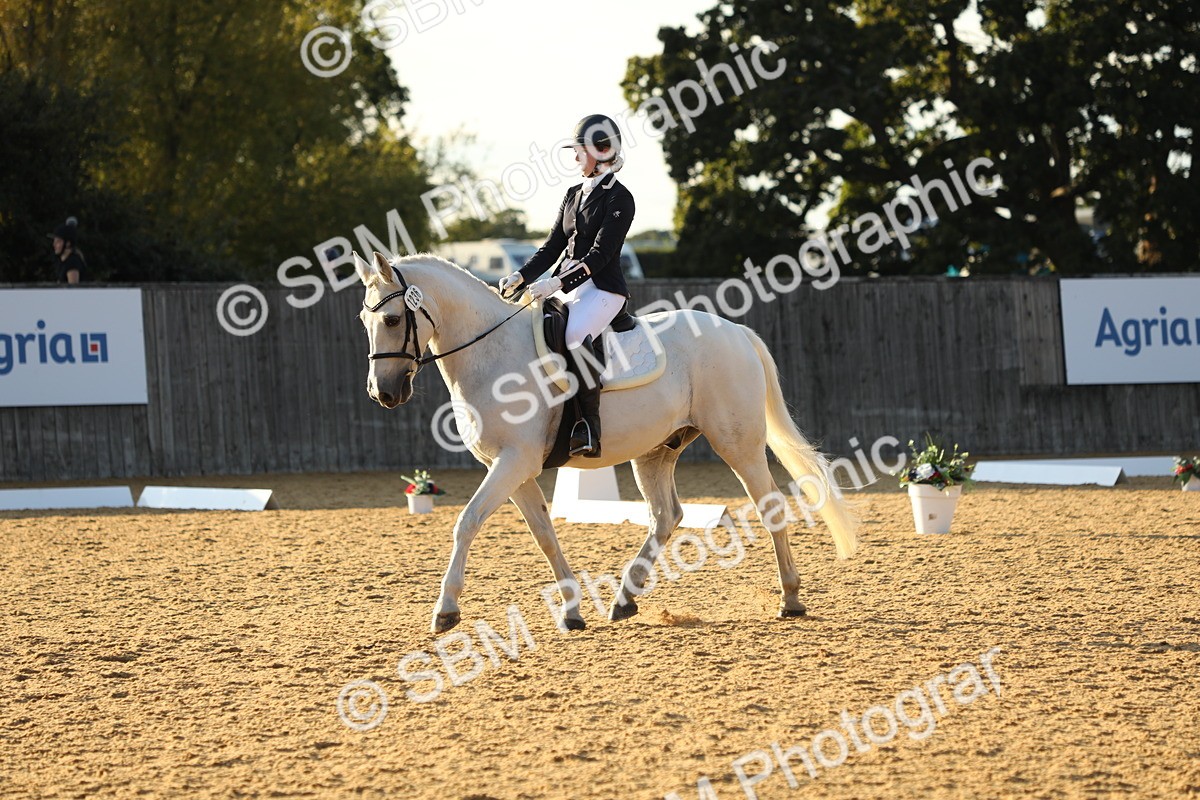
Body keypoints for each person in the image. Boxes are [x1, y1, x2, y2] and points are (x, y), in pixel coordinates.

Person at [499, 115, 636, 458]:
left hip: (603, 289)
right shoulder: (574, 193)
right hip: (567, 285)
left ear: (602, 151)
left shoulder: (620, 198)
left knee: (574, 335)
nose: (576, 159)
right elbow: (552, 245)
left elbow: (601, 255)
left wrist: (557, 282)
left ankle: (589, 426)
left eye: (580, 151)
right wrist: (522, 277)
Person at [47, 216, 86, 284]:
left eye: (58, 241)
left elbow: (73, 288)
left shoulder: (72, 261)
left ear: (67, 243)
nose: (54, 245)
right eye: (54, 241)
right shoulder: (61, 261)